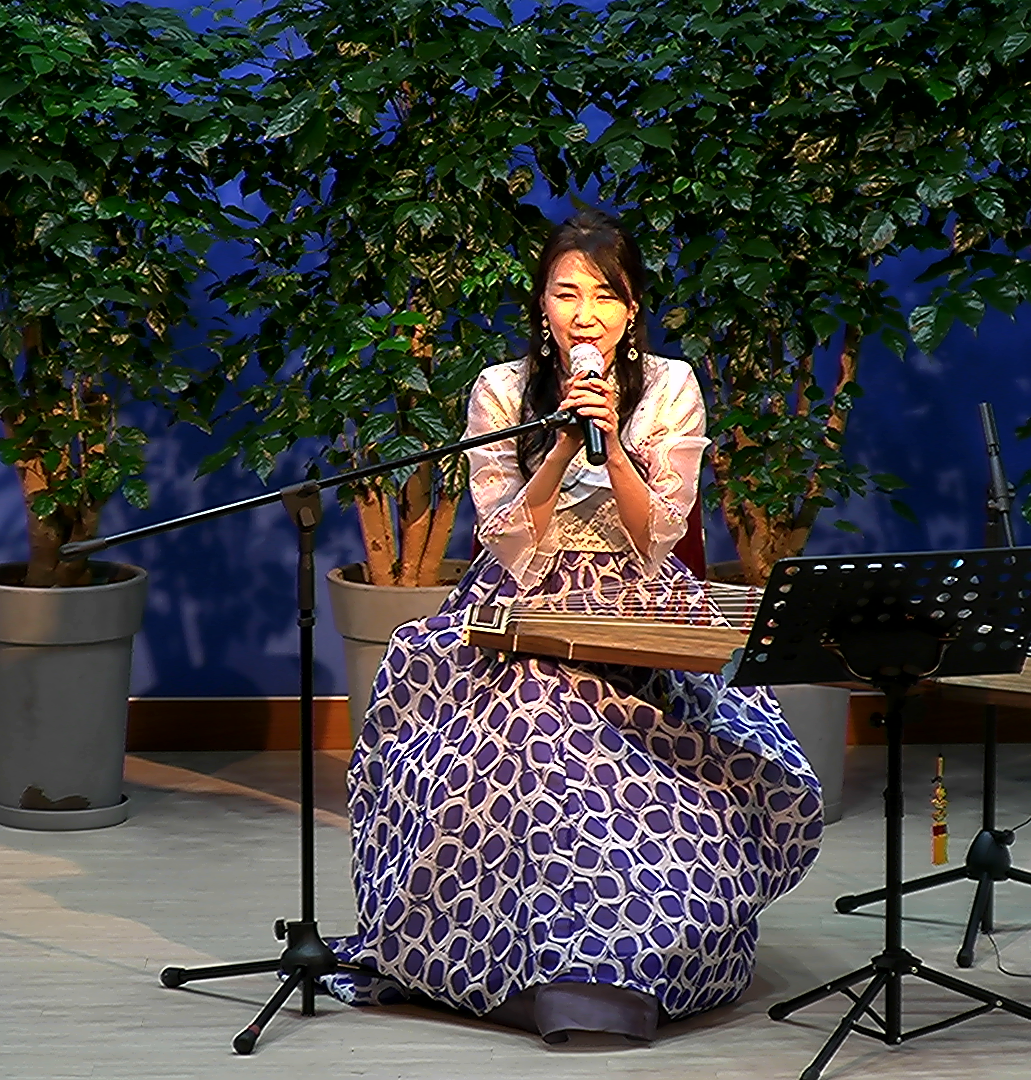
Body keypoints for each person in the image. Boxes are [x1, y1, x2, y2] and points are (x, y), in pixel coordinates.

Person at [320, 210, 823, 1043]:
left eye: (605, 296)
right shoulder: (501, 388)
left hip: (637, 605)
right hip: (523, 603)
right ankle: (505, 969)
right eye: (565, 293)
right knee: (520, 739)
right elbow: (506, 540)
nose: (585, 314)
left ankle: (622, 968)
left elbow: (659, 536)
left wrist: (611, 444)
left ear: (632, 309)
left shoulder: (670, 385)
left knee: (681, 770)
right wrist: (557, 448)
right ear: (541, 304)